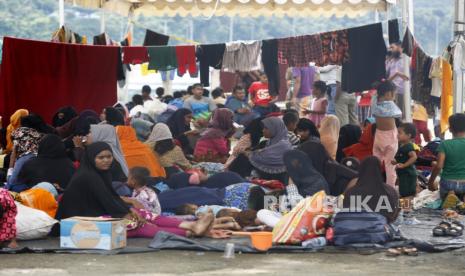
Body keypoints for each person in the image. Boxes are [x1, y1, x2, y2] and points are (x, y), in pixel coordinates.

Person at [56, 142, 220, 239]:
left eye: (109, 156)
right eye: (101, 158)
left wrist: (130, 209)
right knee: (137, 224)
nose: (106, 161)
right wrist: (127, 214)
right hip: (79, 224)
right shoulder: (88, 176)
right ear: (92, 159)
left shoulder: (100, 173)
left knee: (143, 215)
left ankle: (191, 226)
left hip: (96, 215)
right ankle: (190, 232)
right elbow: (106, 201)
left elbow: (111, 198)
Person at [343, 156, 400, 223]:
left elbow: (344, 211)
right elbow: (396, 211)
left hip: (356, 227)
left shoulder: (351, 192)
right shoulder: (390, 191)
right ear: (379, 169)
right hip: (380, 229)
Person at [428, 113, 465, 204]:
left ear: (450, 129)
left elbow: (439, 166)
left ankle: (450, 195)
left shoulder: (445, 144)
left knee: (447, 205)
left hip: (448, 183)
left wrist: (431, 182)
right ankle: (462, 199)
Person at [372, 80, 402, 187]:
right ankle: (390, 189)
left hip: (378, 137)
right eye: (394, 94)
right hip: (390, 137)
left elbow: (377, 92)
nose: (394, 97)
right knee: (390, 166)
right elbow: (399, 114)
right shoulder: (391, 105)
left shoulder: (375, 101)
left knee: (375, 164)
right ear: (389, 94)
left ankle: (374, 186)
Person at [248, 117, 292, 182]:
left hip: (278, 179)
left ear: (275, 128)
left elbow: (262, 157)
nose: (263, 130)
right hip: (268, 177)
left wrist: (249, 154)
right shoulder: (270, 142)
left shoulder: (283, 145)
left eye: (266, 128)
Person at [393, 123, 418, 198]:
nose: (397, 135)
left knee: (406, 193)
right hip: (403, 174)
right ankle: (406, 208)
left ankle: (406, 208)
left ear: (408, 135)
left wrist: (404, 165)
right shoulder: (401, 145)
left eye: (400, 133)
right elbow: (402, 158)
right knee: (403, 191)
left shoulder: (409, 146)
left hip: (408, 174)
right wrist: (396, 161)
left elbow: (414, 157)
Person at [386, 42, 409, 116]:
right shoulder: (390, 61)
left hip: (403, 92)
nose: (390, 50)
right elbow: (386, 79)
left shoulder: (406, 60)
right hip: (392, 92)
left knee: (401, 116)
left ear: (399, 48)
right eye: (389, 48)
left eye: (392, 47)